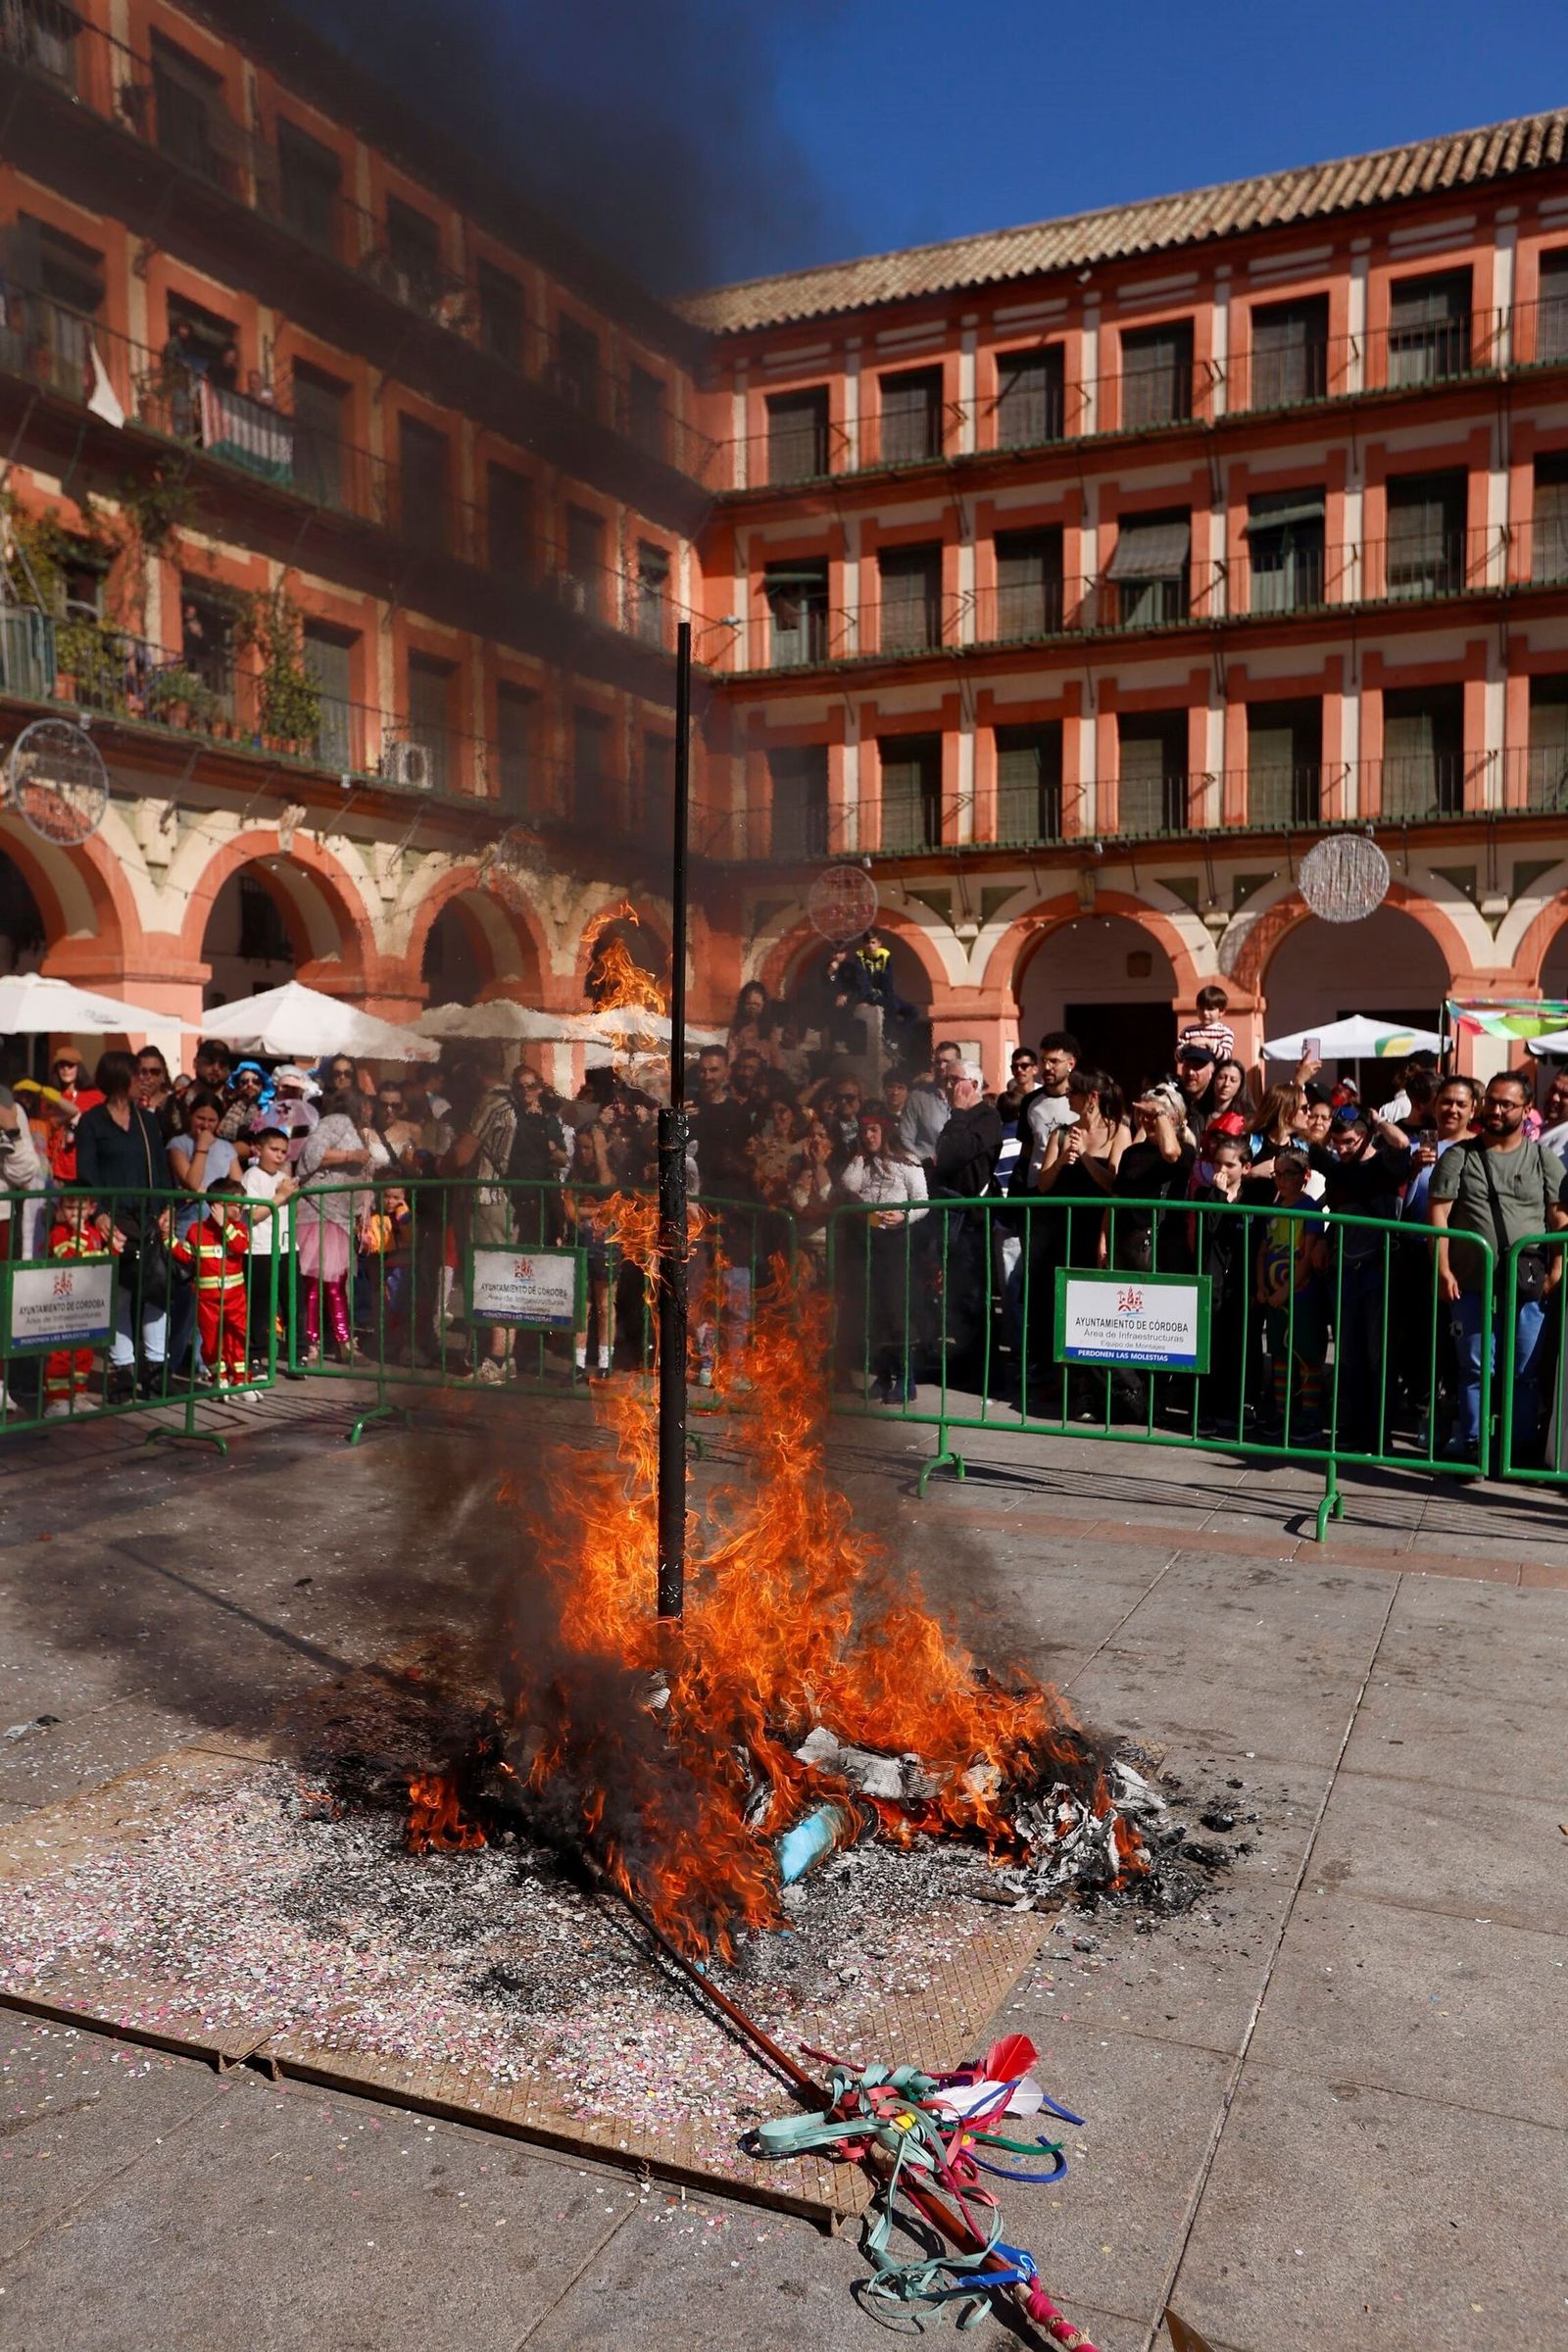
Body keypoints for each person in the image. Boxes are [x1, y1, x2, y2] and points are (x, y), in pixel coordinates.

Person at [1428, 1069, 1568, 1464]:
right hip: (1470, 1283)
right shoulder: (1459, 1156)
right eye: (1491, 1101)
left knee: (1523, 1372)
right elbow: (1438, 1213)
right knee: (1474, 1369)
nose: (1495, 1109)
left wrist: (1557, 1267)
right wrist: (1442, 1269)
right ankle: (1475, 1446)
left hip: (1527, 1287)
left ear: (1525, 1110)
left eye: (1506, 1103)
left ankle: (1517, 1451)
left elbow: (1560, 1219)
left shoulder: (1543, 1159)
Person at [74, 1052, 172, 1401]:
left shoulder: (147, 1121)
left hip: (147, 1219)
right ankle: (123, 1372)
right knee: (120, 1297)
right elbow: (86, 1175)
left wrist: (166, 1209)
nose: (143, 1080)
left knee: (156, 1290)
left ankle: (157, 1368)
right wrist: (98, 1213)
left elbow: (161, 1172)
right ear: (120, 1077)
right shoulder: (92, 1123)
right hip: (113, 1219)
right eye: (136, 1074)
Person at [838, 1102, 928, 1403]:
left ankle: (907, 1378)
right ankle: (883, 1374)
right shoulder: (865, 1162)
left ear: (886, 1130)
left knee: (896, 1311)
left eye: (874, 1130)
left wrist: (904, 1215)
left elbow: (922, 1201)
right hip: (868, 1239)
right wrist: (859, 1157)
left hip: (895, 1242)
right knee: (873, 1310)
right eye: (864, 1130)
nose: (869, 1135)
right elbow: (848, 1184)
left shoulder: (907, 1162)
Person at [439, 1045, 518, 1383]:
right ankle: (503, 1357)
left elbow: (461, 1155)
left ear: (477, 1072)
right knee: (504, 1277)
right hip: (511, 1199)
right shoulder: (516, 1100)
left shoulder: (489, 1102)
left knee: (489, 1277)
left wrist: (438, 1166)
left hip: (487, 1198)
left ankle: (495, 1360)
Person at [170, 1178, 276, 1401]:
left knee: (237, 1337)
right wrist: (167, 1239)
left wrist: (224, 1225)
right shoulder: (196, 1229)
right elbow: (186, 1256)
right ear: (217, 1205)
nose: (242, 1209)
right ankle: (220, 1380)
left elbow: (239, 1247)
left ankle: (240, 1381)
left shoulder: (238, 1229)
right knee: (211, 1341)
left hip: (235, 1298)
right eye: (237, 1204)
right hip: (207, 1300)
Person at [1253, 1148, 1329, 1440]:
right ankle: (1282, 1413)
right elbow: (1262, 1252)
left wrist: (1286, 1290)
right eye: (1278, 1174)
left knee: (1306, 1354)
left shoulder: (1309, 1208)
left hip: (1300, 1294)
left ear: (1304, 1176)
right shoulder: (1274, 1207)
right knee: (1280, 1354)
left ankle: (1309, 1417)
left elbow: (1308, 1256)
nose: (1282, 1180)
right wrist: (1261, 1285)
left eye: (1289, 1174)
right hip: (1273, 1295)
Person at [296, 1086, 373, 1364]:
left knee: (331, 1282)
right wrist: (350, 1156)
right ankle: (320, 1342)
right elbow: (312, 1156)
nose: (370, 1110)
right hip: (319, 1212)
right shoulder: (336, 1122)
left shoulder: (352, 1129)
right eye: (366, 1105)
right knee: (323, 1282)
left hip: (335, 1216)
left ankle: (332, 1341)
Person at [241, 1126, 300, 1378]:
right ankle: (255, 1356)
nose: (279, 1155)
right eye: (273, 1149)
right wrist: (281, 1196)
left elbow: (291, 1214)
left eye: (283, 1151)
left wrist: (289, 1195)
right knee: (260, 1305)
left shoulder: (282, 1178)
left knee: (292, 1301)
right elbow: (254, 1214)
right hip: (259, 1250)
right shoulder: (251, 1177)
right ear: (258, 1149)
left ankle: (298, 1354)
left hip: (287, 1246)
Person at [42, 1192, 102, 1417]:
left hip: (85, 1304)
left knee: (83, 1352)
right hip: (63, 1303)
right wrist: (79, 1235)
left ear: (91, 1209)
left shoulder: (94, 1234)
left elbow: (98, 1262)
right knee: (61, 1353)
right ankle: (56, 1400)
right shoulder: (58, 1234)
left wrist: (114, 1248)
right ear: (61, 1208)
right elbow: (68, 1258)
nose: (75, 1215)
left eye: (80, 1210)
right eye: (69, 1209)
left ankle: (78, 1393)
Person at [507, 1066, 569, 1245]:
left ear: (539, 1089)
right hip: (518, 1194)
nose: (526, 1091)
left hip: (545, 1194)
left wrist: (549, 1145)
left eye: (531, 1086)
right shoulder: (512, 1117)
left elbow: (563, 1159)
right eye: (522, 1086)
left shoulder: (548, 1120)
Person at [1179, 983, 1237, 1062]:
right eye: (1201, 1008)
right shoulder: (1188, 1031)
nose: (1205, 1013)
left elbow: (1226, 1057)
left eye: (1210, 1009)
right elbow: (1177, 1057)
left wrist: (1208, 1043)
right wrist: (1188, 1046)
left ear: (1221, 1011)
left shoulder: (1225, 1032)